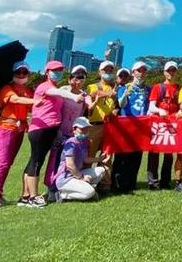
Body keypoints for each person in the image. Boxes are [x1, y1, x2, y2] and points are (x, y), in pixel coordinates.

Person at [20, 61, 84, 208]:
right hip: (41, 129)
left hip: (50, 130)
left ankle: (25, 196)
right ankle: (33, 197)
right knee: (36, 162)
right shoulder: (45, 86)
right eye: (54, 70)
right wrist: (73, 97)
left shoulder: (54, 86)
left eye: (60, 70)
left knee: (34, 161)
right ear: (47, 72)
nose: (58, 72)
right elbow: (59, 93)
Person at [0, 62, 37, 211]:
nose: (21, 75)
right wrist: (36, 100)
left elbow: (32, 107)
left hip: (19, 130)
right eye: (18, 72)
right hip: (6, 128)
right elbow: (15, 100)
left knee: (8, 163)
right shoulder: (7, 89)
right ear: (13, 74)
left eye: (25, 72)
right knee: (2, 163)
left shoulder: (29, 91)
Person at [46, 66, 89, 198]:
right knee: (55, 160)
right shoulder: (63, 90)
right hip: (60, 131)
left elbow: (84, 112)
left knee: (69, 162)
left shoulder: (84, 94)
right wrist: (56, 130)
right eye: (76, 76)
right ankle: (51, 189)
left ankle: (66, 188)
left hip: (73, 135)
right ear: (70, 78)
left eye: (82, 77)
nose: (79, 79)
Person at [112, 61, 150, 193]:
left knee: (136, 156)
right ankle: (117, 184)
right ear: (133, 72)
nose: (141, 73)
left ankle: (131, 183)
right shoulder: (125, 87)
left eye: (144, 70)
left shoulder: (147, 89)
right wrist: (124, 96)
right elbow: (121, 105)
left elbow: (149, 108)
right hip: (126, 126)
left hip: (141, 128)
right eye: (139, 70)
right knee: (121, 156)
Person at [55, 117, 108, 202]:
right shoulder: (70, 143)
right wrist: (81, 177)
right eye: (82, 129)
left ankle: (85, 188)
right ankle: (63, 195)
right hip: (65, 179)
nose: (85, 131)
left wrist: (99, 159)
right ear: (74, 129)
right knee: (89, 192)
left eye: (87, 128)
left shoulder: (84, 142)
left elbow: (85, 159)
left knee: (101, 170)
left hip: (76, 174)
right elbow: (69, 165)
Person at [85, 60, 119, 193]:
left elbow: (116, 106)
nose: (108, 73)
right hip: (94, 126)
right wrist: (108, 94)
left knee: (107, 156)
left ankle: (105, 185)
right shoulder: (93, 86)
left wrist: (114, 112)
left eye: (111, 70)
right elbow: (93, 95)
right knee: (89, 155)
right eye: (106, 70)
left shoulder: (114, 88)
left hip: (109, 127)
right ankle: (85, 181)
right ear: (100, 72)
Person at [146, 61, 180, 190]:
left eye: (173, 70)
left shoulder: (178, 88)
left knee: (168, 154)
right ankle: (153, 182)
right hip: (158, 124)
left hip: (172, 124)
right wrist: (160, 110)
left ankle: (165, 182)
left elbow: (179, 105)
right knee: (154, 153)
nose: (171, 73)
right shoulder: (158, 87)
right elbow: (151, 106)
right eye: (169, 70)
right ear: (164, 72)